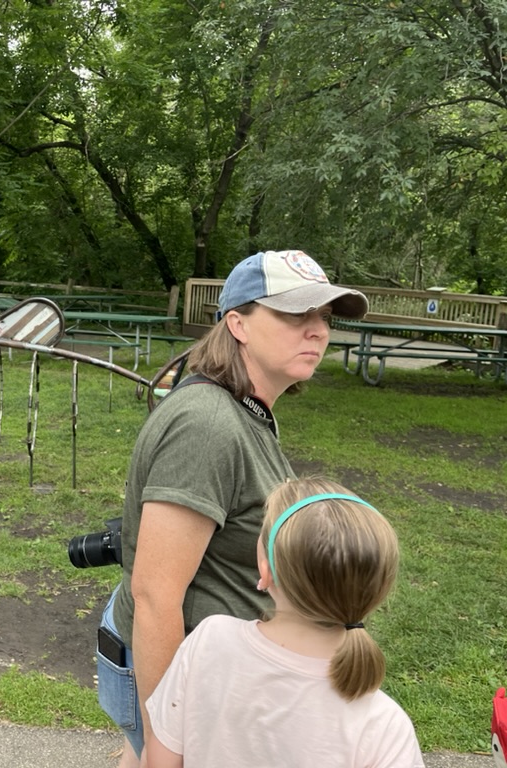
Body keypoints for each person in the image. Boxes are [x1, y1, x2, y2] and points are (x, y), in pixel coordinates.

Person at [95, 250, 370, 767]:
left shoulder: (246, 409)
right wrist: (163, 747)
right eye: (295, 315)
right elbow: (155, 596)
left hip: (205, 670)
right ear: (238, 323)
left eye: (324, 317)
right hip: (177, 677)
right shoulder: (209, 425)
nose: (317, 331)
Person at [143, 478, 425, 767]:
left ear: (265, 571)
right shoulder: (383, 726)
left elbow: (159, 762)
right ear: (379, 589)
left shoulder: (210, 641)